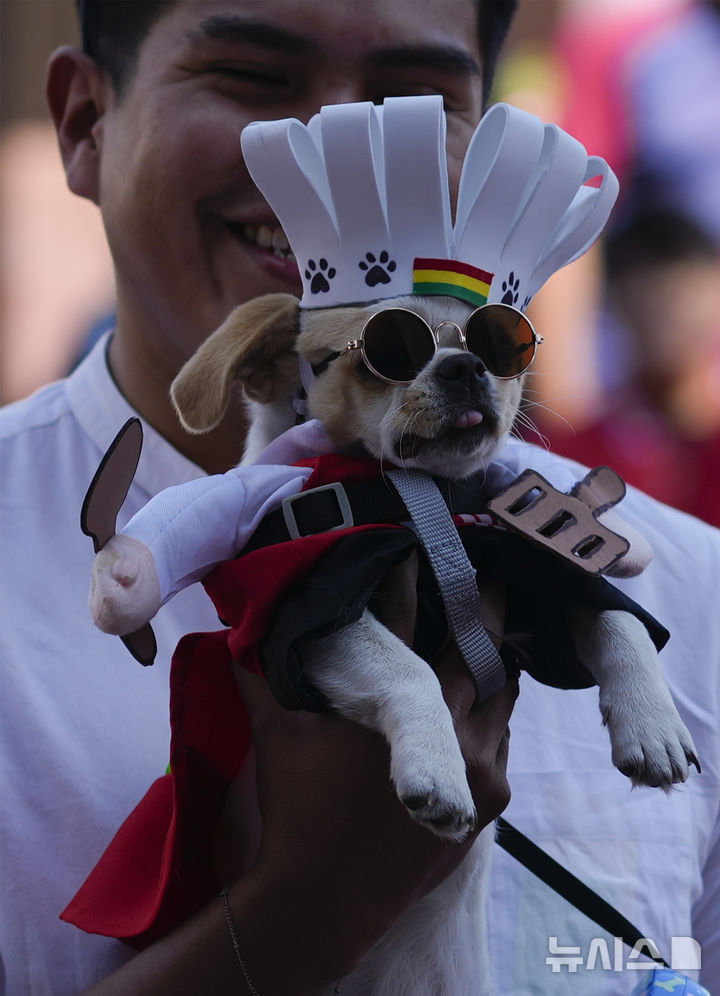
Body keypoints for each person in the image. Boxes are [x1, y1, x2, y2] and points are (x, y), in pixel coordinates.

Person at [0, 3, 717, 995]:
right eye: (255, 75)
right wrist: (308, 908)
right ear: (84, 121)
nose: (348, 142)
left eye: (418, 99)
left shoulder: (696, 593)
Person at [542, 207, 720, 527]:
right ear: (617, 300)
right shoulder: (568, 456)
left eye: (688, 294)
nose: (673, 313)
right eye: (655, 298)